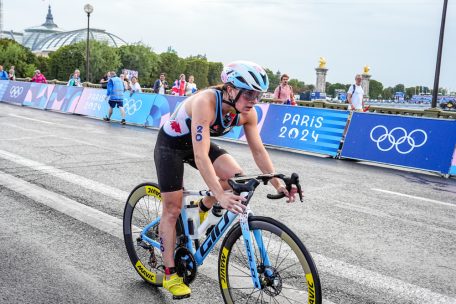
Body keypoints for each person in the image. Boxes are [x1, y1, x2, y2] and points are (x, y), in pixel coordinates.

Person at [154, 61, 298, 299]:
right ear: (231, 89)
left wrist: (278, 184)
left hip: (200, 143)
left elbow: (259, 151)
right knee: (172, 208)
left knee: (237, 178)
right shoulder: (205, 102)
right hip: (172, 145)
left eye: (258, 94)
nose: (254, 100)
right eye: (249, 93)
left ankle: (202, 207)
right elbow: (201, 156)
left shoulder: (247, 113)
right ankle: (169, 274)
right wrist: (219, 195)